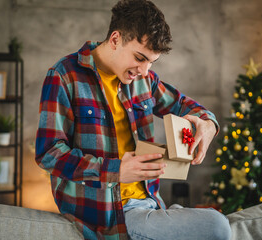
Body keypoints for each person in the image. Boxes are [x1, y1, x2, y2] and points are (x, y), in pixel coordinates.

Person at [35, 0, 231, 239]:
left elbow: (182, 104)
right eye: (140, 58)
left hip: (150, 203)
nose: (145, 70)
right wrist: (116, 171)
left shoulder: (143, 80)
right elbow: (48, 154)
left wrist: (208, 122)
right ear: (116, 39)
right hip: (105, 215)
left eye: (151, 62)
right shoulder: (64, 76)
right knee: (217, 225)